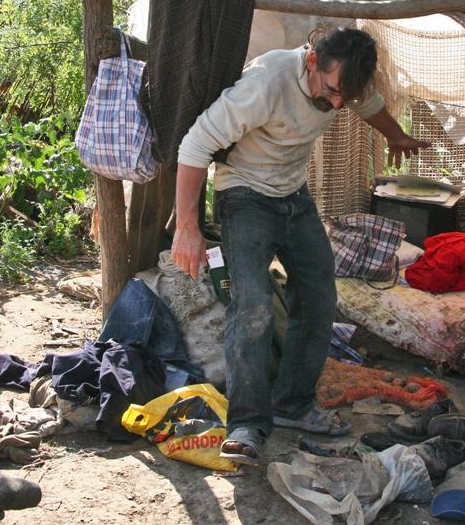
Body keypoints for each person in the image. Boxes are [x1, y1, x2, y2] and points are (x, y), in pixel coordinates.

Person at [171, 26, 428, 464]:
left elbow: (367, 103)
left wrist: (396, 135)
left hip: (293, 194)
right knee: (252, 305)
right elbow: (194, 146)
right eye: (331, 91)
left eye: (344, 97)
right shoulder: (265, 83)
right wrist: (187, 228)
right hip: (245, 195)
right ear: (311, 60)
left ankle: (292, 405)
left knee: (319, 297)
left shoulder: (344, 79)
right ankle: (246, 424)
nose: (336, 104)